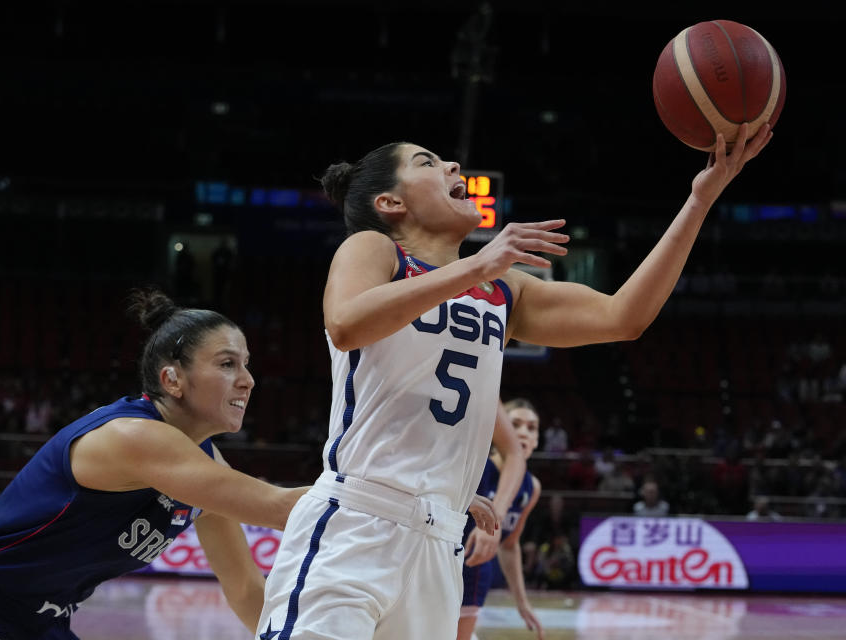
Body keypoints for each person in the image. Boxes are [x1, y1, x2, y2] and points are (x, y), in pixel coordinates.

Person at [257, 123, 772, 640]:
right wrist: (477, 265)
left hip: (440, 544)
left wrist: (699, 201)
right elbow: (346, 323)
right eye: (428, 162)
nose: (453, 167)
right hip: (357, 522)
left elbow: (624, 317)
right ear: (391, 202)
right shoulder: (376, 249)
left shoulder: (503, 290)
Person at [0, 289, 307, 640]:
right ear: (172, 380)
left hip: (39, 621)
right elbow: (283, 509)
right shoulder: (134, 437)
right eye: (227, 363)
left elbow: (246, 589)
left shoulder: (205, 461)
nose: (248, 379)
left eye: (246, 363)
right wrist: (370, 483)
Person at [458, 399, 544, 640]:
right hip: (434, 566)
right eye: (514, 424)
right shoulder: (475, 467)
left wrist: (522, 603)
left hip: (473, 576)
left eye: (531, 427)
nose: (523, 432)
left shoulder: (531, 487)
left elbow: (509, 545)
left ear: (537, 439)